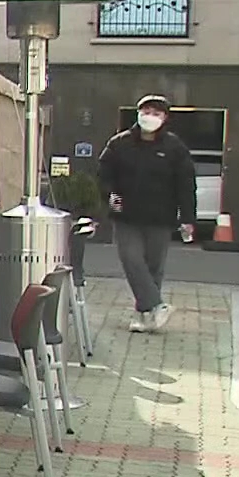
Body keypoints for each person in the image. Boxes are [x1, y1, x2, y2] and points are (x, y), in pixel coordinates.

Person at [97, 94, 197, 332]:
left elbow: (186, 184)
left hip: (160, 218)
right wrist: (110, 195)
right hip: (126, 215)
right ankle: (157, 305)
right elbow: (103, 173)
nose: (150, 117)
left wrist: (188, 218)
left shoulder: (174, 147)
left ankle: (144, 316)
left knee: (153, 266)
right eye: (146, 112)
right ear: (138, 114)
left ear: (165, 118)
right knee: (131, 260)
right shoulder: (119, 143)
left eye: (156, 113)